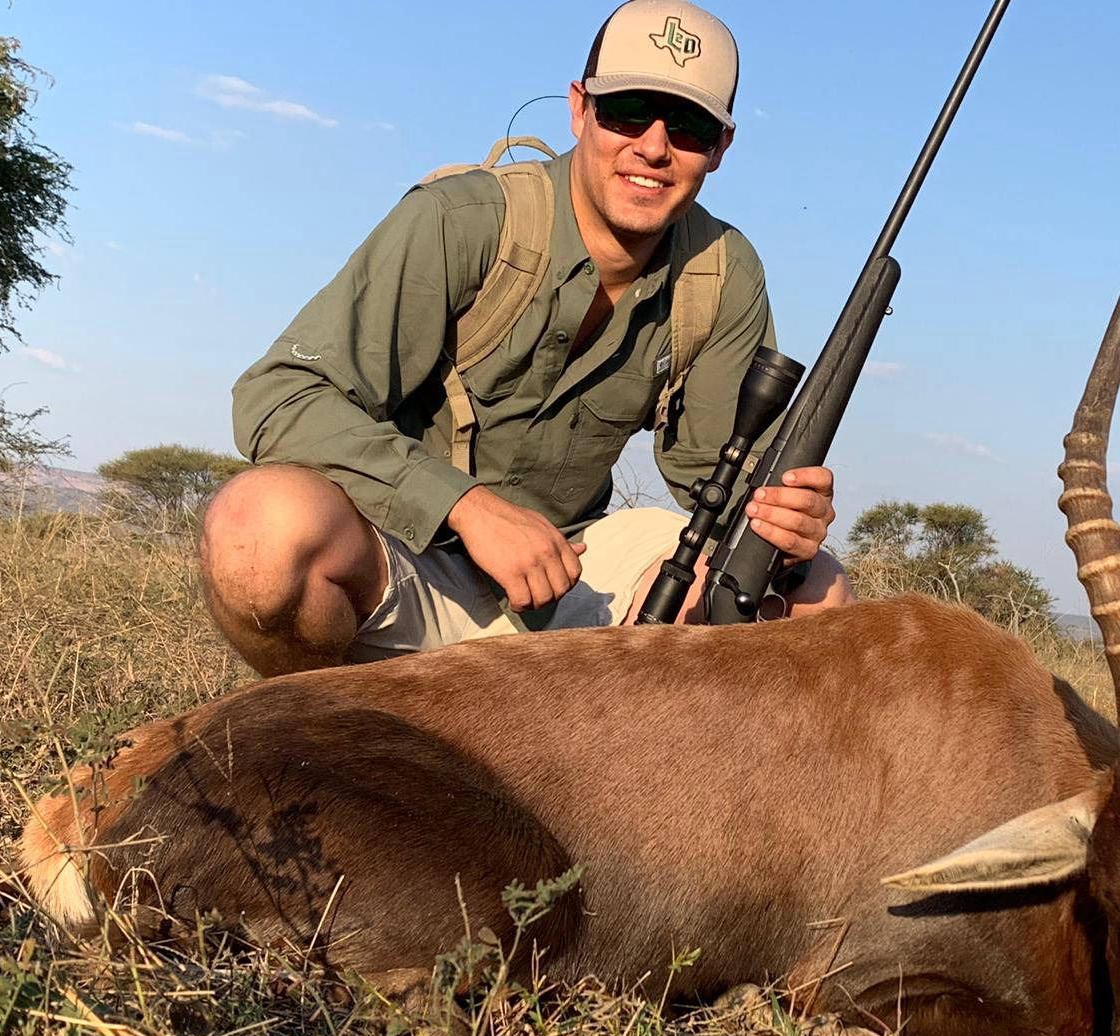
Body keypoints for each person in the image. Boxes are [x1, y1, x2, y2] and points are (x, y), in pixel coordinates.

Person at [203, 0, 852, 677]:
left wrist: (784, 528)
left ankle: (616, 741)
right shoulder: (463, 219)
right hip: (405, 557)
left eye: (689, 126)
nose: (654, 147)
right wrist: (466, 508)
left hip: (576, 574)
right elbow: (279, 395)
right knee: (259, 530)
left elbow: (715, 474)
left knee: (816, 596)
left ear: (720, 148)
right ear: (580, 108)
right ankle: (321, 728)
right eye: (628, 110)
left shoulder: (721, 270)